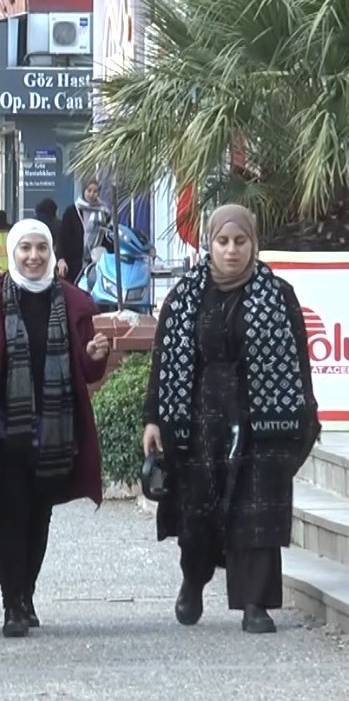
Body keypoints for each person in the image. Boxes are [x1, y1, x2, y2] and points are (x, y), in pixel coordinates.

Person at [143, 204, 320, 634]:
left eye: (240, 241)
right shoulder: (185, 297)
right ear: (209, 243)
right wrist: (154, 419)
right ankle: (193, 580)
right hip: (201, 418)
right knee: (199, 512)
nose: (232, 250)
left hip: (262, 414)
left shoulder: (277, 295)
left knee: (256, 509)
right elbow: (164, 361)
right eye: (223, 241)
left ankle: (254, 603)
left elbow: (299, 360)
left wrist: (304, 413)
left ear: (253, 244)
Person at [0, 219, 110, 638]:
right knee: (10, 514)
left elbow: (85, 368)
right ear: (13, 252)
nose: (33, 257)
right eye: (25, 248)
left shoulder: (74, 302)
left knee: (39, 516)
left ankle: (27, 594)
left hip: (56, 432)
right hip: (7, 431)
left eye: (41, 248)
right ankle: (12, 605)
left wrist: (95, 355)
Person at [58, 180, 111, 284]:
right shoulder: (72, 211)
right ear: (84, 191)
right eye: (89, 190)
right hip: (73, 263)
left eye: (95, 191)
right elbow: (62, 237)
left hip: (96, 263)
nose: (92, 194)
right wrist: (61, 259)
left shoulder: (104, 213)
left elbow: (108, 238)